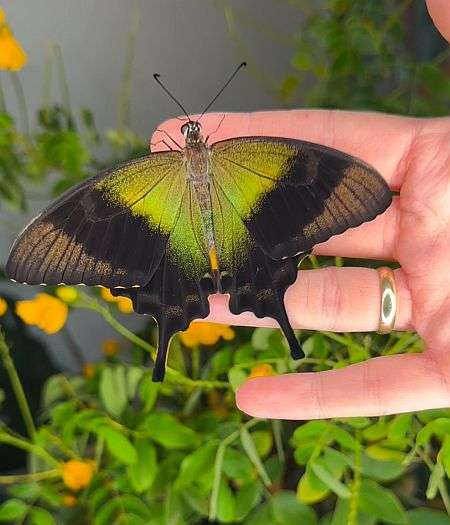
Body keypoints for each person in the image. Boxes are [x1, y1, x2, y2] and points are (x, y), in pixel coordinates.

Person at [151, 0, 450, 419]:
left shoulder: (164, 169)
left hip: (224, 234)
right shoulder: (254, 157)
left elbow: (344, 189)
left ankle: (168, 354)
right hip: (225, 235)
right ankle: (274, 338)